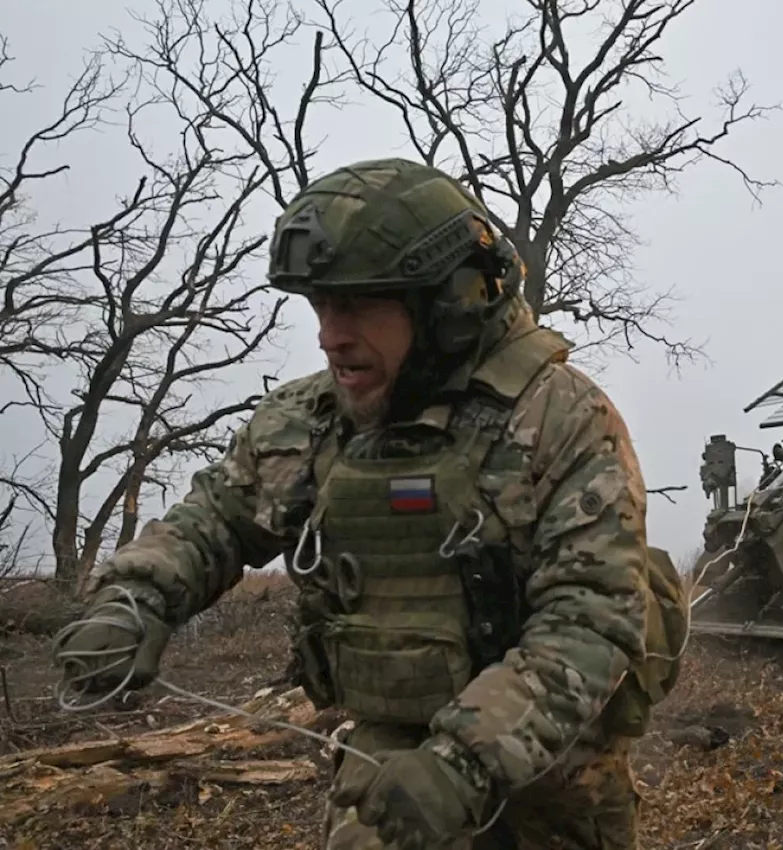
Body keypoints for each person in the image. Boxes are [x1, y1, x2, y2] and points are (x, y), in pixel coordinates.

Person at [52, 158, 690, 850]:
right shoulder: (311, 417)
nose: (330, 333)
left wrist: (463, 762)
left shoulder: (560, 417)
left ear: (446, 301)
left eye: (356, 305)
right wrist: (134, 600)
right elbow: (213, 521)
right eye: (320, 306)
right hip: (384, 761)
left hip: (551, 773)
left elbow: (591, 618)